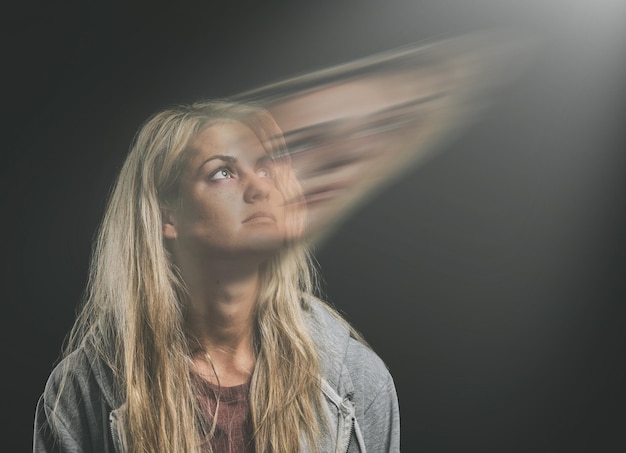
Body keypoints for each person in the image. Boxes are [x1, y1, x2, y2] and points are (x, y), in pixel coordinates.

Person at [33, 100, 399, 453]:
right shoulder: (82, 392)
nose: (259, 188)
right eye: (223, 172)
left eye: (265, 169)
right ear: (167, 217)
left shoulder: (354, 377)